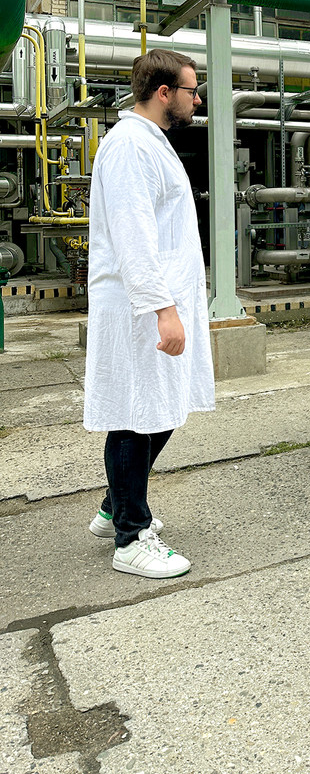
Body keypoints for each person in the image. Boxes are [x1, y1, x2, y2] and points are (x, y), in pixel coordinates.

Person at [84, 48, 215, 579]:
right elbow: (134, 235)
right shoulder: (129, 147)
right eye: (191, 91)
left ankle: (115, 507)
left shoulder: (149, 142)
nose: (197, 100)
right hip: (140, 306)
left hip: (161, 299)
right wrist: (163, 309)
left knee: (157, 410)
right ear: (164, 93)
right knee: (135, 416)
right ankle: (131, 537)